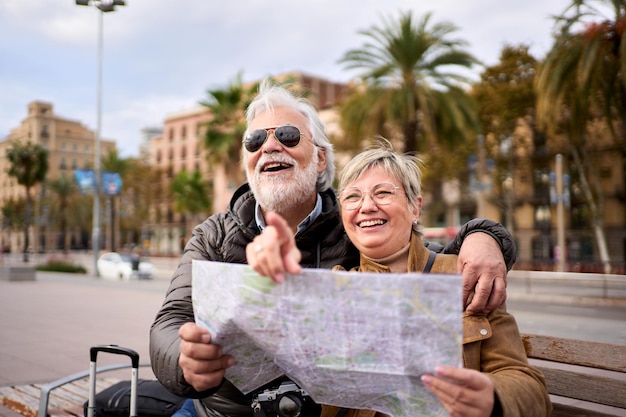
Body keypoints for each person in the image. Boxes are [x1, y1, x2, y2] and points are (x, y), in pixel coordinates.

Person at [150, 81, 516, 417]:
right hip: (219, 412)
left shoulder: (357, 227)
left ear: (321, 158)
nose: (270, 146)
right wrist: (185, 360)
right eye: (255, 140)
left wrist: (485, 236)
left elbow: (425, 263)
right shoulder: (213, 234)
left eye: (289, 135)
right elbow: (170, 321)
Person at [247, 141, 551, 417]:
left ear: (415, 207)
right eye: (353, 197)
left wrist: (493, 398)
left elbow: (526, 383)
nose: (366, 206)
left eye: (382, 193)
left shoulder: (461, 277)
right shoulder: (331, 292)